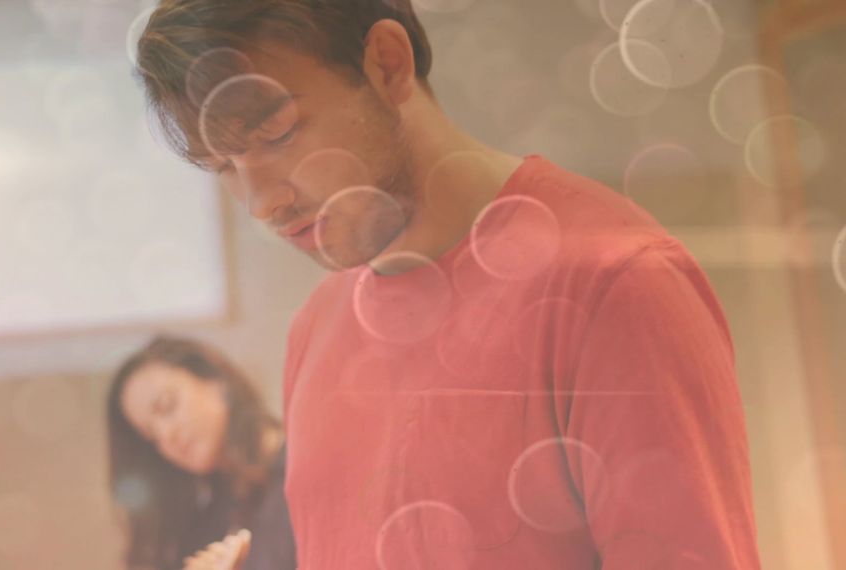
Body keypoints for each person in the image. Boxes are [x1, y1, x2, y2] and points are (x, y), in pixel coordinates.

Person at [134, 1, 762, 569]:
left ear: (386, 62)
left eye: (278, 135)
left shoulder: (615, 285)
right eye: (224, 167)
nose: (262, 203)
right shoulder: (318, 326)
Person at [105, 335, 295, 570]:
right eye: (152, 436)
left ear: (216, 380)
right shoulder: (205, 527)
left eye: (167, 406)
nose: (167, 435)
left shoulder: (303, 475)